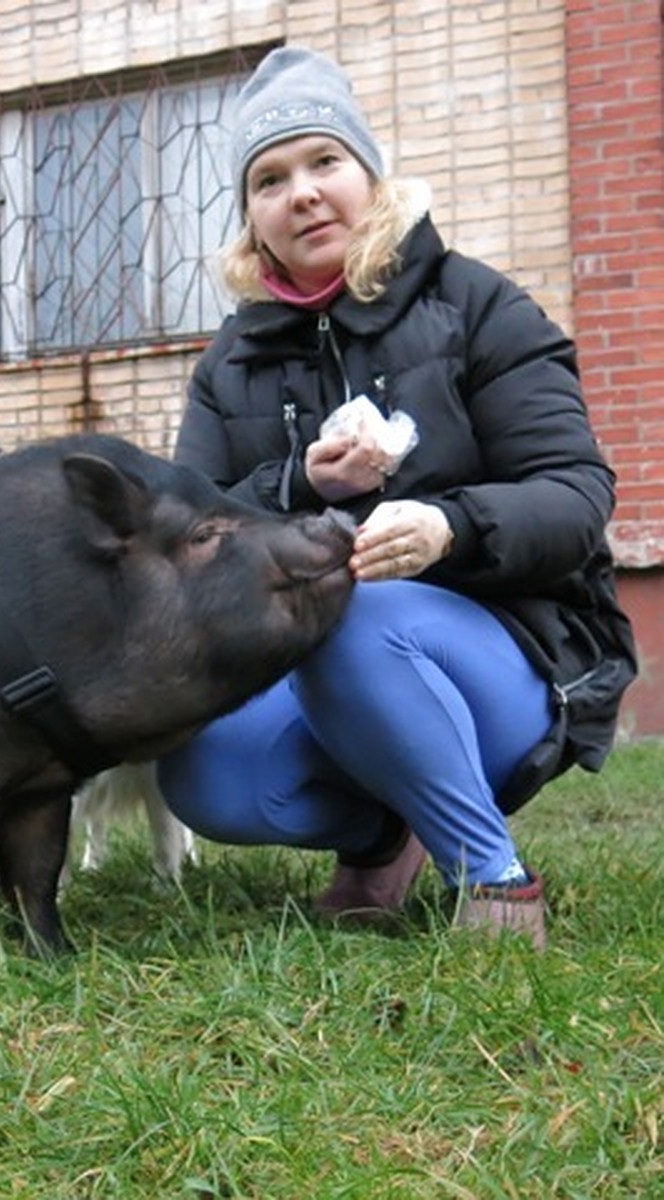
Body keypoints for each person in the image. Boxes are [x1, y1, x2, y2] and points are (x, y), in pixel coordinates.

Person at [156, 44, 638, 949]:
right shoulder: (231, 363)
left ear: (368, 174)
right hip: (319, 662)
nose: (301, 192)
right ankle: (386, 835)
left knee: (353, 611)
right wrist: (302, 481)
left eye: (324, 161)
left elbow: (577, 496)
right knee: (201, 768)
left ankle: (492, 876)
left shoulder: (477, 306)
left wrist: (449, 526)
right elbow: (189, 529)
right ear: (251, 217)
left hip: (511, 654)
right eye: (269, 179)